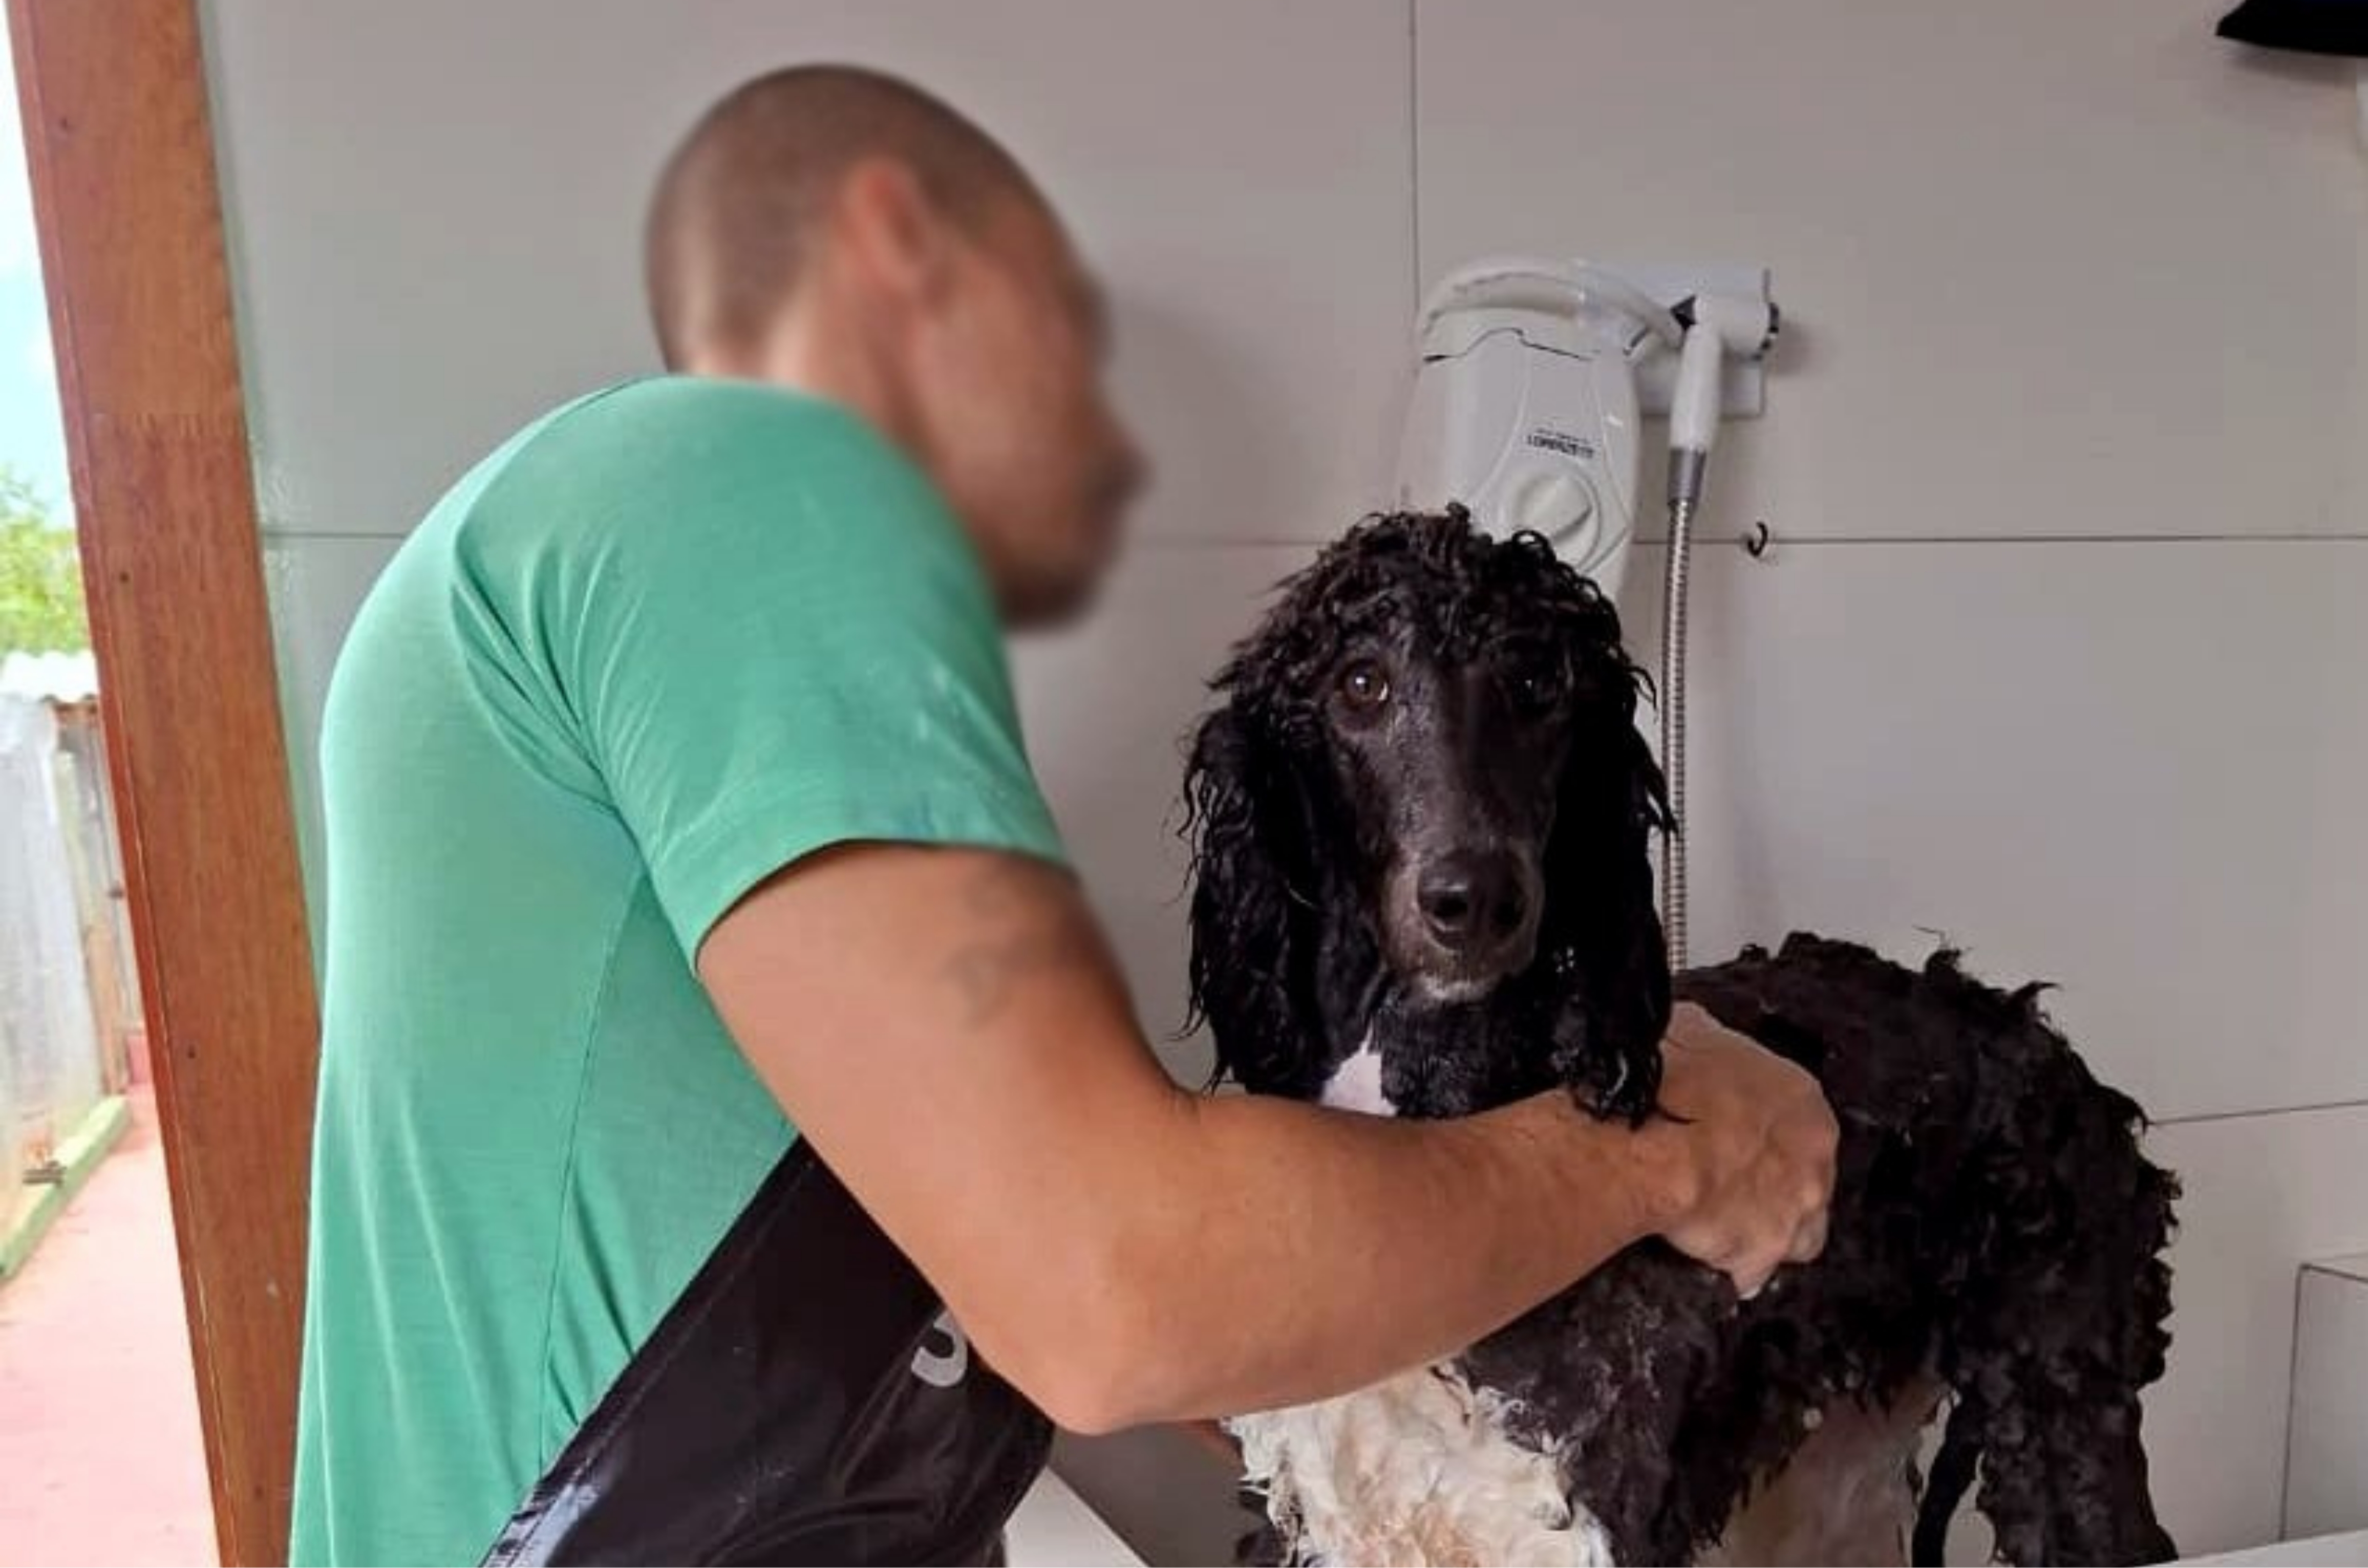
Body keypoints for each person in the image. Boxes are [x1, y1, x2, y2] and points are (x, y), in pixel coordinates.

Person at [288, 63, 1838, 1567]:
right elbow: (1115, 1295)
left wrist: (1388, 1441)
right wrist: (1659, 1156)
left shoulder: (618, 570)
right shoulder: (736, 492)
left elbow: (1002, 1242)